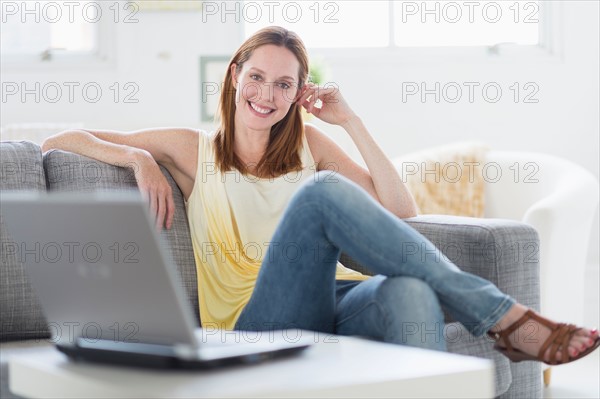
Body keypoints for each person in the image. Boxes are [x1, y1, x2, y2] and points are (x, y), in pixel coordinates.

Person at [42, 26, 599, 365]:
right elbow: (60, 138)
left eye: (284, 84)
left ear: (297, 94)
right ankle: (507, 319)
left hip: (334, 302)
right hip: (253, 322)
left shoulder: (311, 142)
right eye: (257, 77)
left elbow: (404, 214)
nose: (267, 94)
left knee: (410, 294)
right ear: (235, 75)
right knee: (322, 195)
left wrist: (350, 120)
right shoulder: (192, 149)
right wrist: (138, 157)